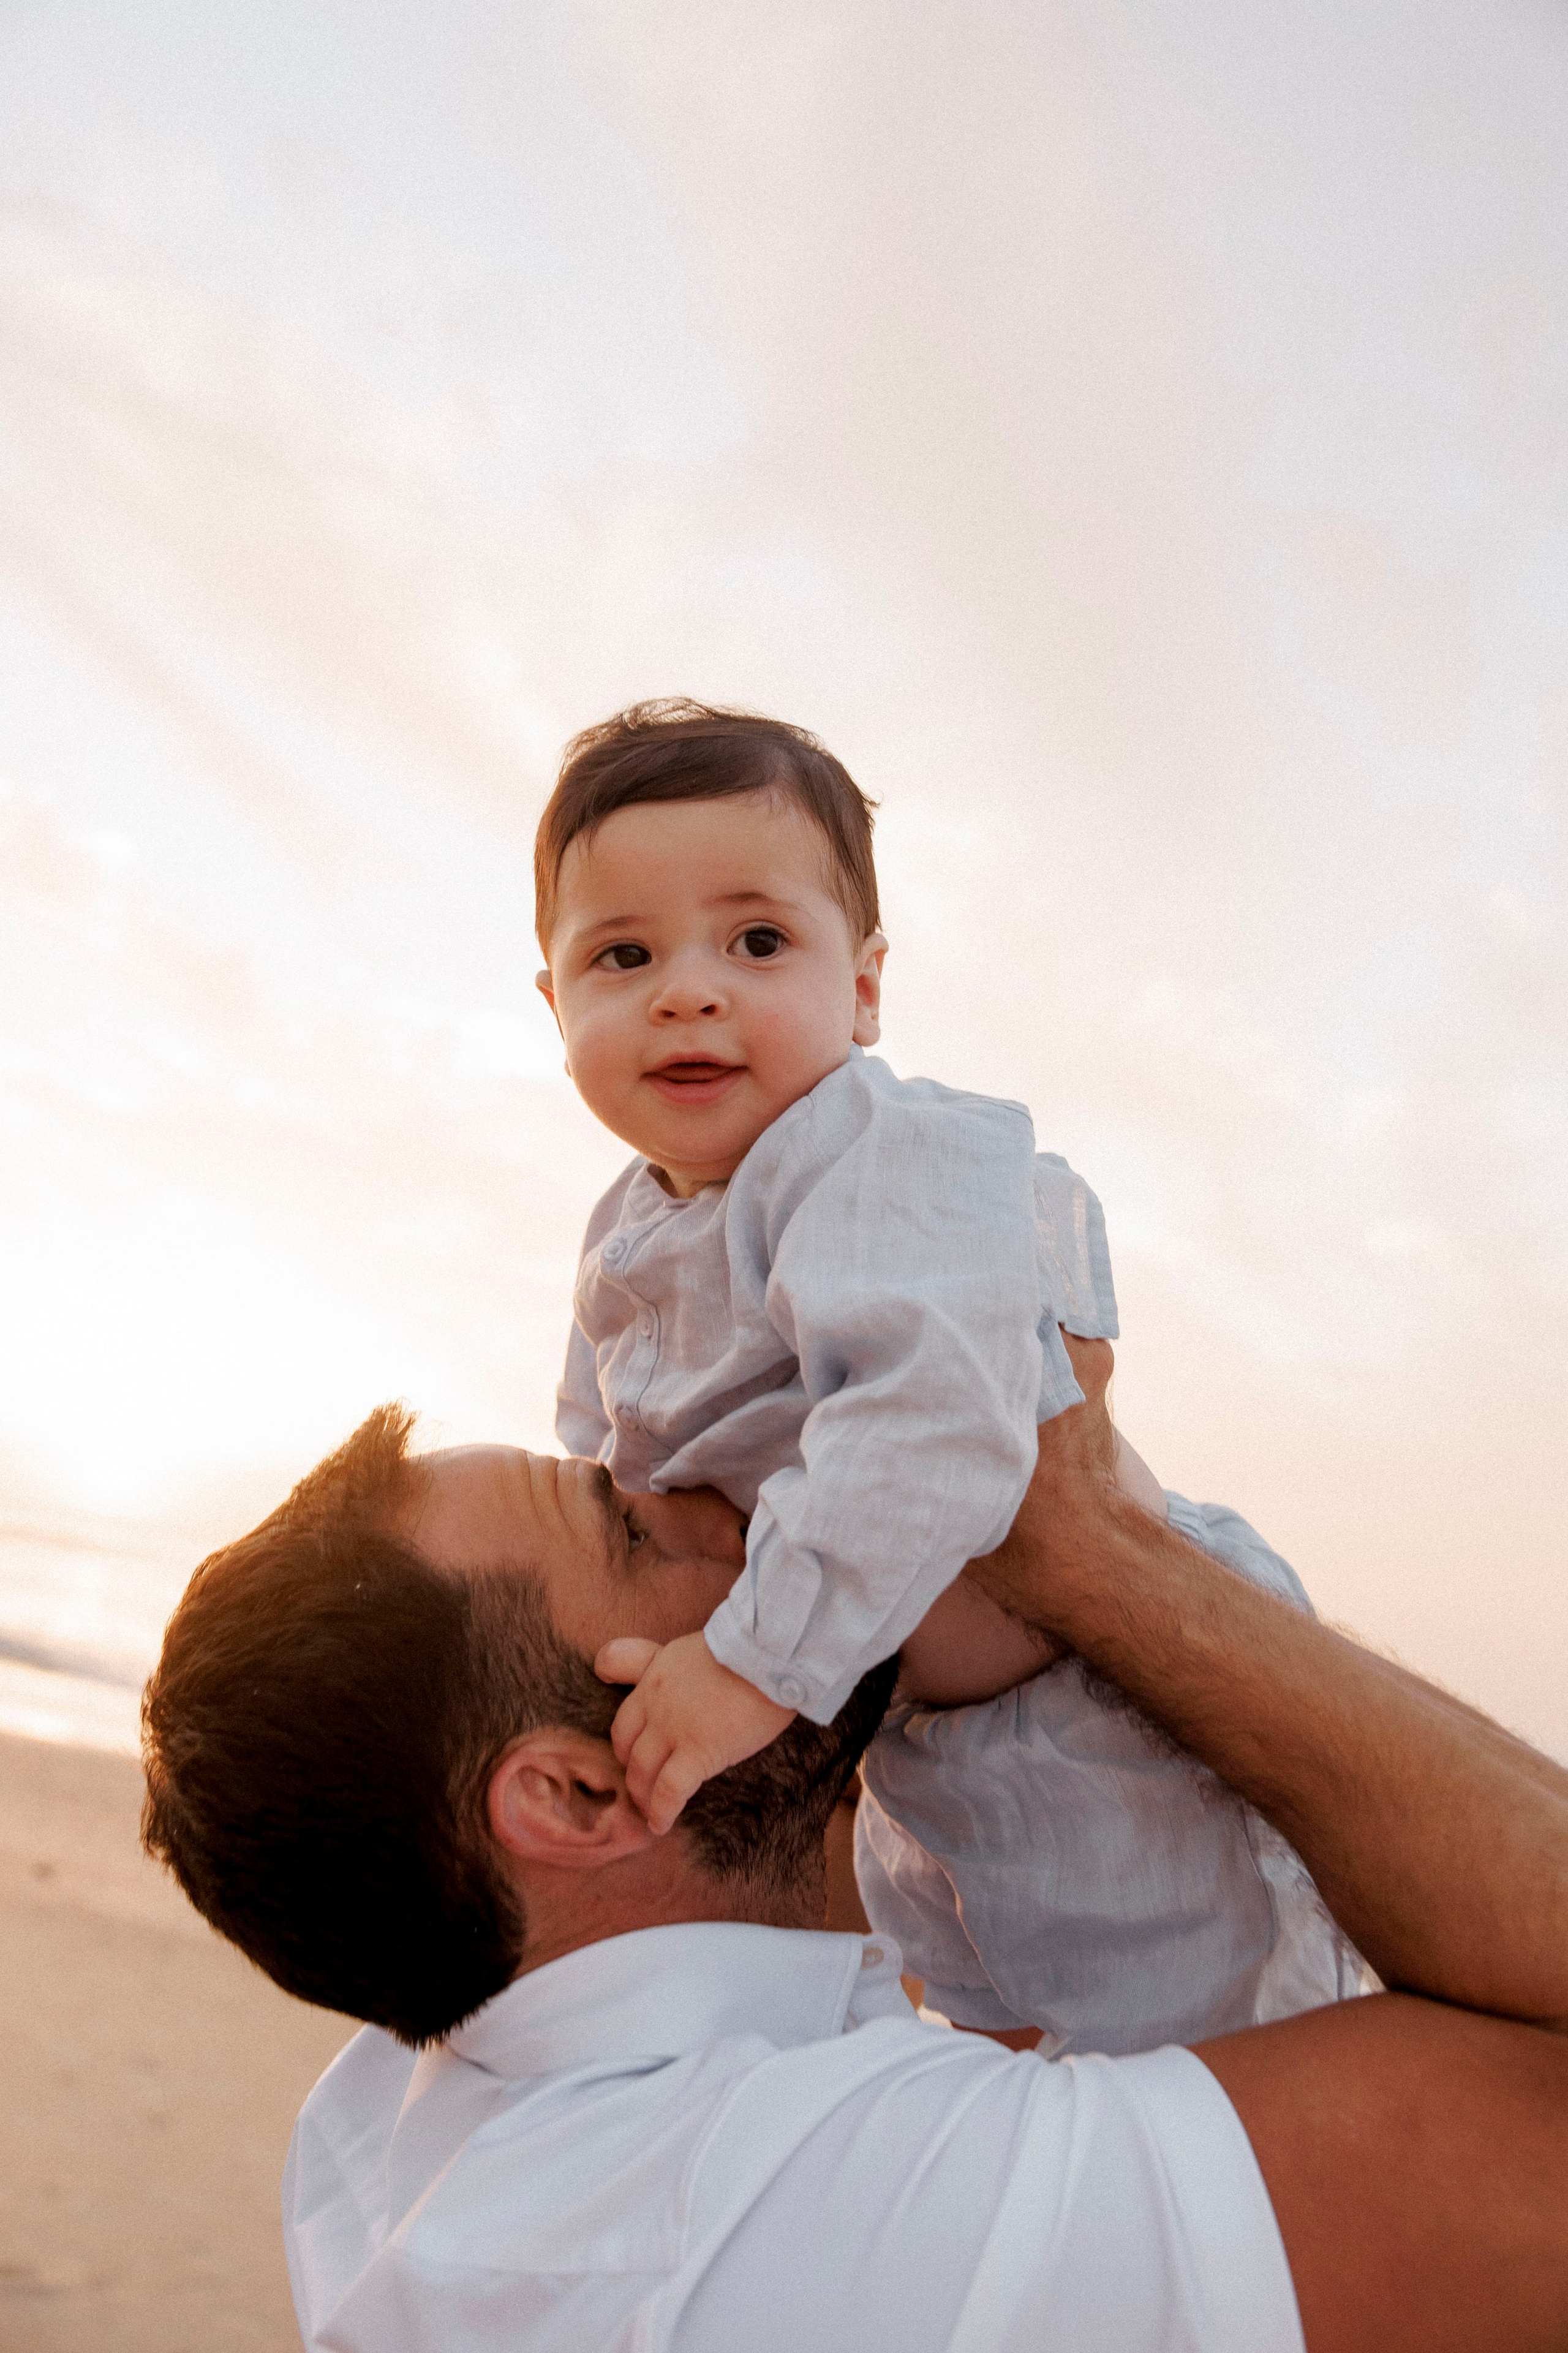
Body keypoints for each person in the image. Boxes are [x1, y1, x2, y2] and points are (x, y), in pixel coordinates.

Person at [140, 1341, 1568, 2352]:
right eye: (640, 1530)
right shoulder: (782, 2225)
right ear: (575, 1799)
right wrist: (1090, 1551)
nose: (724, 1496)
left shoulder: (424, 2089)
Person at [535, 697, 1357, 2052]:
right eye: (623, 954)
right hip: (917, 1743)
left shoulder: (873, 1153)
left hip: (1099, 1710)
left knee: (1196, 2042)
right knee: (990, 2032)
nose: (690, 988)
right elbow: (603, 1458)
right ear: (554, 1001)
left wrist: (747, 1664)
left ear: (861, 986)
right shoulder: (624, 1231)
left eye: (756, 941)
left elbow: (932, 1420)